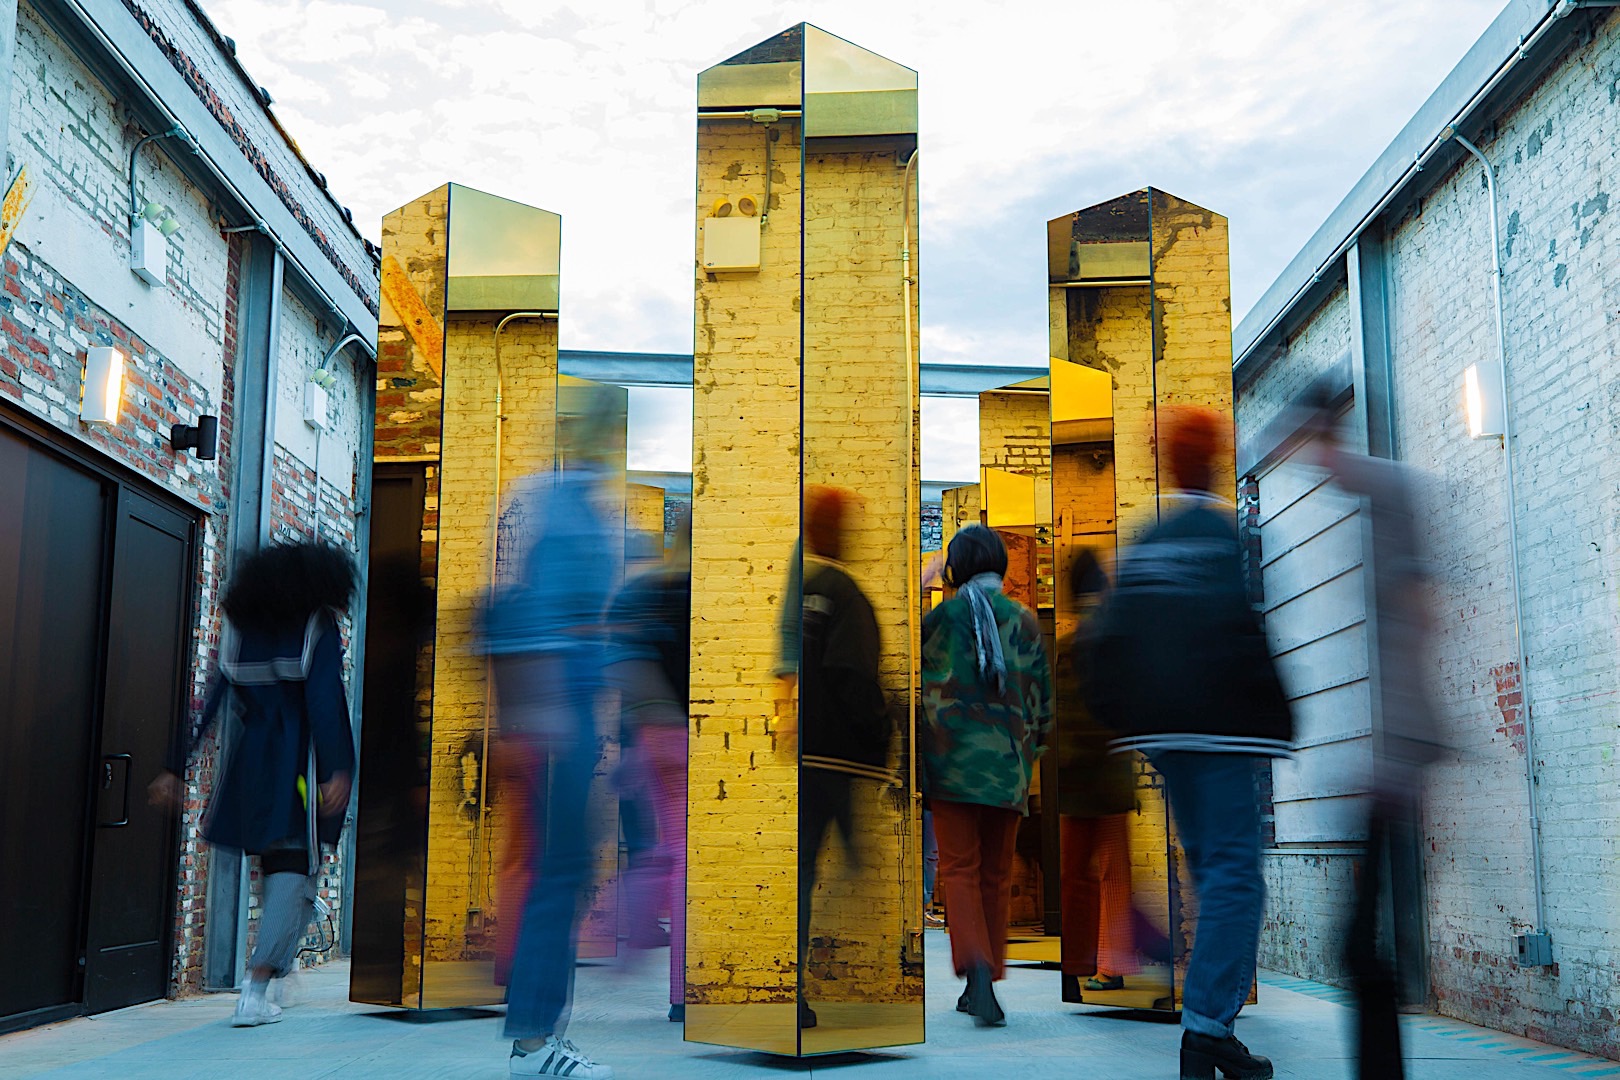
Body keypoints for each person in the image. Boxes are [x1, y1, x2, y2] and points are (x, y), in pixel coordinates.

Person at [1086, 408, 1293, 1080]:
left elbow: (1113, 638)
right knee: (1234, 878)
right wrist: (1277, 717)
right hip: (1221, 731)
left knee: (1210, 869)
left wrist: (1129, 721)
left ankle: (1206, 1022)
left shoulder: (1147, 539)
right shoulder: (1225, 534)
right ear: (1214, 460)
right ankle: (1206, 1028)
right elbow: (1247, 627)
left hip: (1165, 734)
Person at [149, 541, 357, 1028]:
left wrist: (176, 765)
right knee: (297, 866)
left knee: (273, 859)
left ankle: (277, 967)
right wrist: (336, 769)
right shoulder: (316, 625)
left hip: (252, 763)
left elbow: (211, 700)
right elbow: (324, 704)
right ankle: (257, 985)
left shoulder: (244, 630)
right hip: (302, 764)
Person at [1300, 389, 1442, 1080]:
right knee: (1362, 946)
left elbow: (1416, 619)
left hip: (1397, 751)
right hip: (1388, 752)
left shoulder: (1387, 493)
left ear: (1328, 434)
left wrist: (1392, 751)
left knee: (1361, 945)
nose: (1312, 463)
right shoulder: (1363, 500)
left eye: (1313, 446)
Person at [485, 427, 616, 1079]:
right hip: (559, 729)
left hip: (550, 728)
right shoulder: (571, 515)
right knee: (557, 877)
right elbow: (570, 630)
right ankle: (534, 1045)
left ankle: (540, 1038)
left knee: (555, 876)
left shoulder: (546, 509)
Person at [920, 524, 1052, 1027]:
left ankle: (975, 971)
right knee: (996, 875)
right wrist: (1028, 758)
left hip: (952, 767)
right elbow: (1042, 704)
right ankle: (985, 979)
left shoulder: (943, 618)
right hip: (1007, 769)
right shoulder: (1024, 620)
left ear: (957, 568)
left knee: (960, 870)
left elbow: (914, 678)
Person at [795, 486, 891, 1030]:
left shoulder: (804, 591)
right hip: (840, 756)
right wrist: (881, 729)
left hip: (808, 752)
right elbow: (852, 673)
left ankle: (797, 988)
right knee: (839, 866)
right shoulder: (845, 593)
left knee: (807, 869)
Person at [607, 511, 691, 1023]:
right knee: (687, 857)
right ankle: (685, 990)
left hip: (652, 731)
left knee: (670, 847)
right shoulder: (706, 594)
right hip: (693, 733)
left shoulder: (643, 590)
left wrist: (638, 731)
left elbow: (619, 665)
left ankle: (636, 917)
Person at [1056, 548, 1139, 995]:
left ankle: (1078, 965)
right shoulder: (1119, 642)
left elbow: (1064, 716)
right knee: (1114, 874)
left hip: (1080, 782)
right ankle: (1112, 962)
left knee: (1076, 878)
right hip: (1113, 778)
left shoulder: (1071, 646)